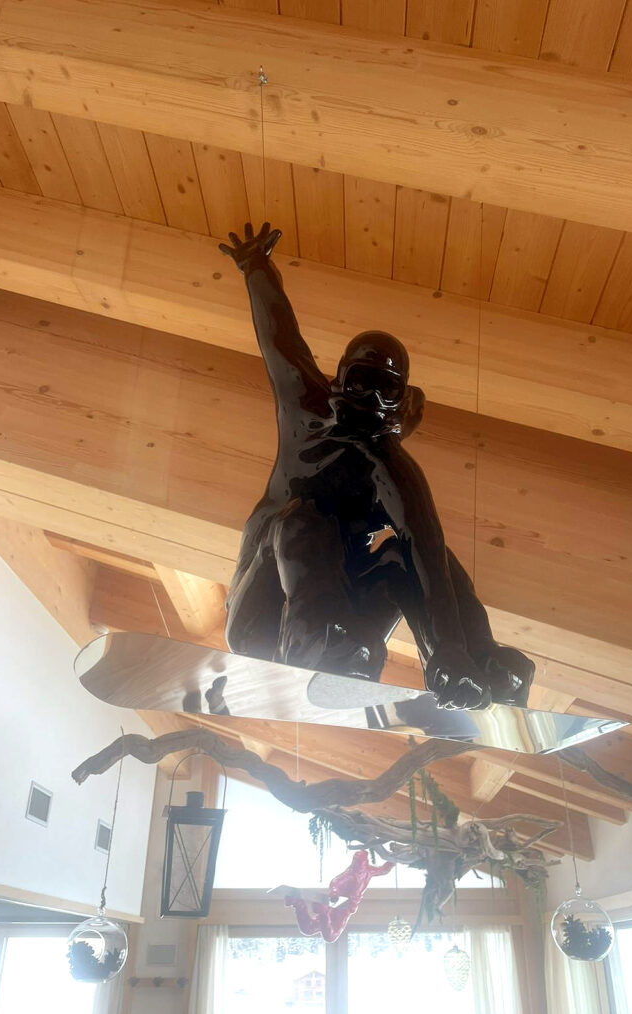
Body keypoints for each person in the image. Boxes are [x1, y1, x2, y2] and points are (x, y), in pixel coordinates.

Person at [219, 223, 534, 710]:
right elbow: (282, 342)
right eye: (359, 382)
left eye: (383, 391)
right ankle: (319, 645)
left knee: (407, 557)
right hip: (263, 618)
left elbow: (428, 557)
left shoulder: (393, 471)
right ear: (339, 380)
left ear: (397, 403)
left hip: (348, 632)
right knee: (305, 521)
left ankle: (474, 663)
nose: (367, 399)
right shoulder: (307, 411)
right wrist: (256, 267)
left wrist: (453, 649)